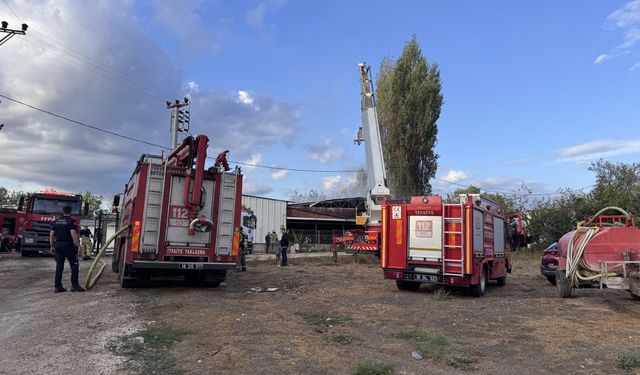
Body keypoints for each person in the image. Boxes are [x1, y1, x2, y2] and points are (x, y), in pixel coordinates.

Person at [49, 206, 85, 293]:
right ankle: (74, 285)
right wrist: (78, 246)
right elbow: (73, 234)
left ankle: (58, 286)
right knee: (74, 264)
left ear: (63, 211)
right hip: (68, 245)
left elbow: (51, 235)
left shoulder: (56, 221)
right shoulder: (71, 221)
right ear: (70, 211)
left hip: (58, 244)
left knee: (59, 266)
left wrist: (52, 246)